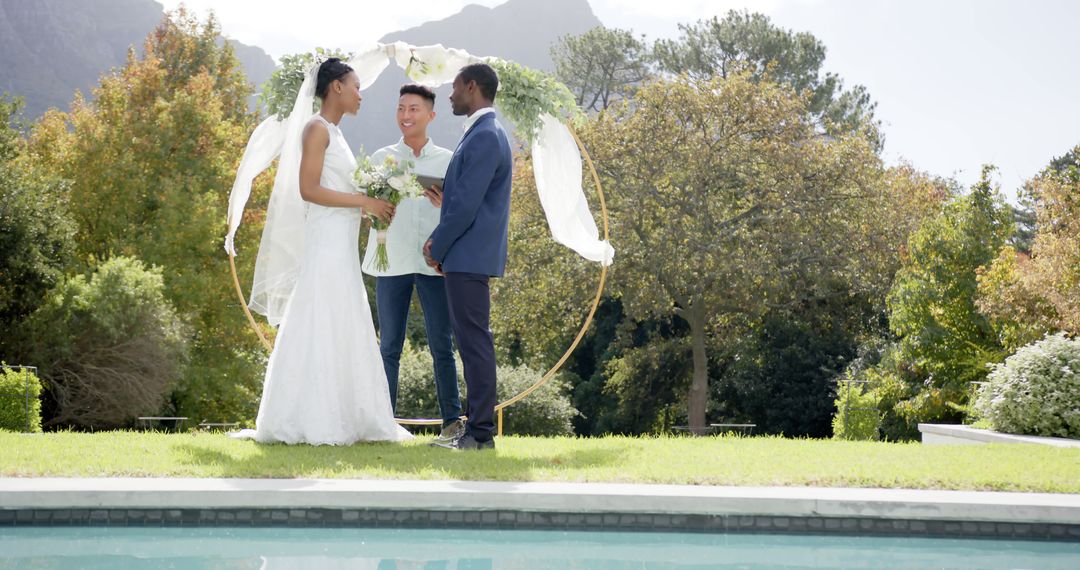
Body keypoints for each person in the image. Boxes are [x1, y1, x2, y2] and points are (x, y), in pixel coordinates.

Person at [233, 58, 412, 445]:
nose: (360, 94)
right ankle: (311, 417)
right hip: (325, 244)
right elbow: (308, 190)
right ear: (335, 88)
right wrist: (364, 201)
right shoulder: (316, 129)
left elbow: (335, 189)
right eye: (356, 86)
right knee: (322, 314)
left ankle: (350, 414)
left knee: (344, 316)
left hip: (341, 242)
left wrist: (368, 209)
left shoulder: (336, 133)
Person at [363, 84, 464, 443]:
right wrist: (373, 210)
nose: (406, 115)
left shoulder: (450, 159)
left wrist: (443, 205)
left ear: (431, 115)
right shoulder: (380, 159)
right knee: (389, 345)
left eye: (414, 109)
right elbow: (366, 209)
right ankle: (383, 422)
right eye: (401, 108)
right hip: (391, 261)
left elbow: (461, 210)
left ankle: (452, 422)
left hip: (434, 262)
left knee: (442, 345)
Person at [424, 63, 513, 450]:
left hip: (468, 256)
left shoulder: (485, 136)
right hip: (468, 255)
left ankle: (479, 433)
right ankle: (476, 430)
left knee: (474, 345)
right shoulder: (483, 134)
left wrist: (435, 245)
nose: (450, 94)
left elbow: (464, 207)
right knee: (472, 343)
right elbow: (463, 198)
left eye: (455, 87)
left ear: (472, 87)